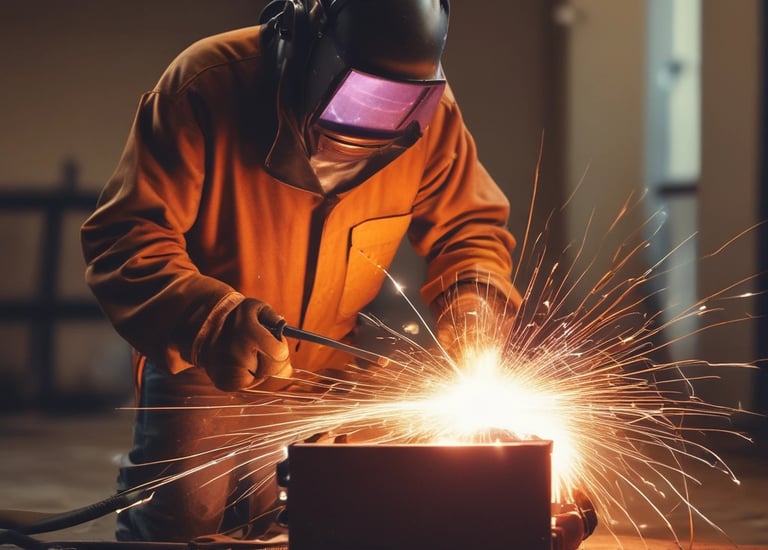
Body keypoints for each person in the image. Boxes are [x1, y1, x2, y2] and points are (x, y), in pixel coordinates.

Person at [81, 0, 521, 542]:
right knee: (187, 520)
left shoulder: (428, 115)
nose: (364, 132)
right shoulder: (207, 84)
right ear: (309, 48)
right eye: (355, 100)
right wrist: (209, 319)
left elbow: (469, 230)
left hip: (327, 371)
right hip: (205, 361)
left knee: (323, 522)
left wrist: (474, 302)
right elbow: (123, 239)